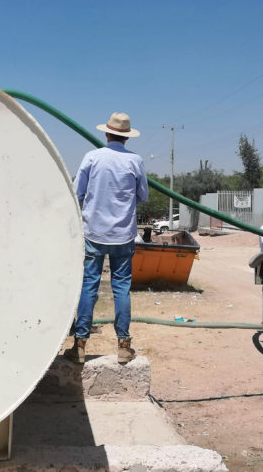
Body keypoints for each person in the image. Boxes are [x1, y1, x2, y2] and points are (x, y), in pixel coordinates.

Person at [64, 112, 149, 364]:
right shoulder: (135, 161)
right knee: (121, 288)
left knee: (90, 285)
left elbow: (77, 191)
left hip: (94, 232)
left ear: (107, 133)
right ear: (126, 137)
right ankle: (123, 345)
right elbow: (142, 196)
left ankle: (79, 345)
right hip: (123, 235)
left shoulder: (92, 157)